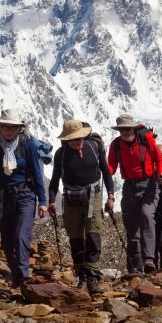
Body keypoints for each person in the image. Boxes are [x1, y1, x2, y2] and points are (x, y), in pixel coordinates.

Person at [0, 108, 47, 291]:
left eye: (12, 128)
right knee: (7, 241)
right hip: (3, 196)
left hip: (25, 195)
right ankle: (17, 278)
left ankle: (24, 280)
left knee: (21, 235)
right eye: (5, 127)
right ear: (0, 127)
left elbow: (37, 174)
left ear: (19, 128)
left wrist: (42, 202)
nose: (9, 131)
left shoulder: (27, 145)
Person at [47, 119, 116, 294]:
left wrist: (111, 196)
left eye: (79, 138)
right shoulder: (61, 154)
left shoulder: (94, 147)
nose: (77, 142)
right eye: (72, 140)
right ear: (66, 140)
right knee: (76, 237)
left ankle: (92, 276)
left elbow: (106, 172)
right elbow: (55, 179)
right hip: (71, 196)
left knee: (93, 234)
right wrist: (52, 201)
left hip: (93, 194)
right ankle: (81, 274)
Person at [107, 113, 162, 274]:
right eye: (122, 130)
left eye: (128, 129)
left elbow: (159, 159)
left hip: (149, 184)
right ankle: (136, 265)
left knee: (147, 214)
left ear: (133, 128)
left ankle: (149, 259)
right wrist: (103, 171)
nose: (126, 132)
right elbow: (111, 166)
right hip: (130, 186)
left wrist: (161, 173)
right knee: (131, 225)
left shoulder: (146, 139)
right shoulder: (116, 145)